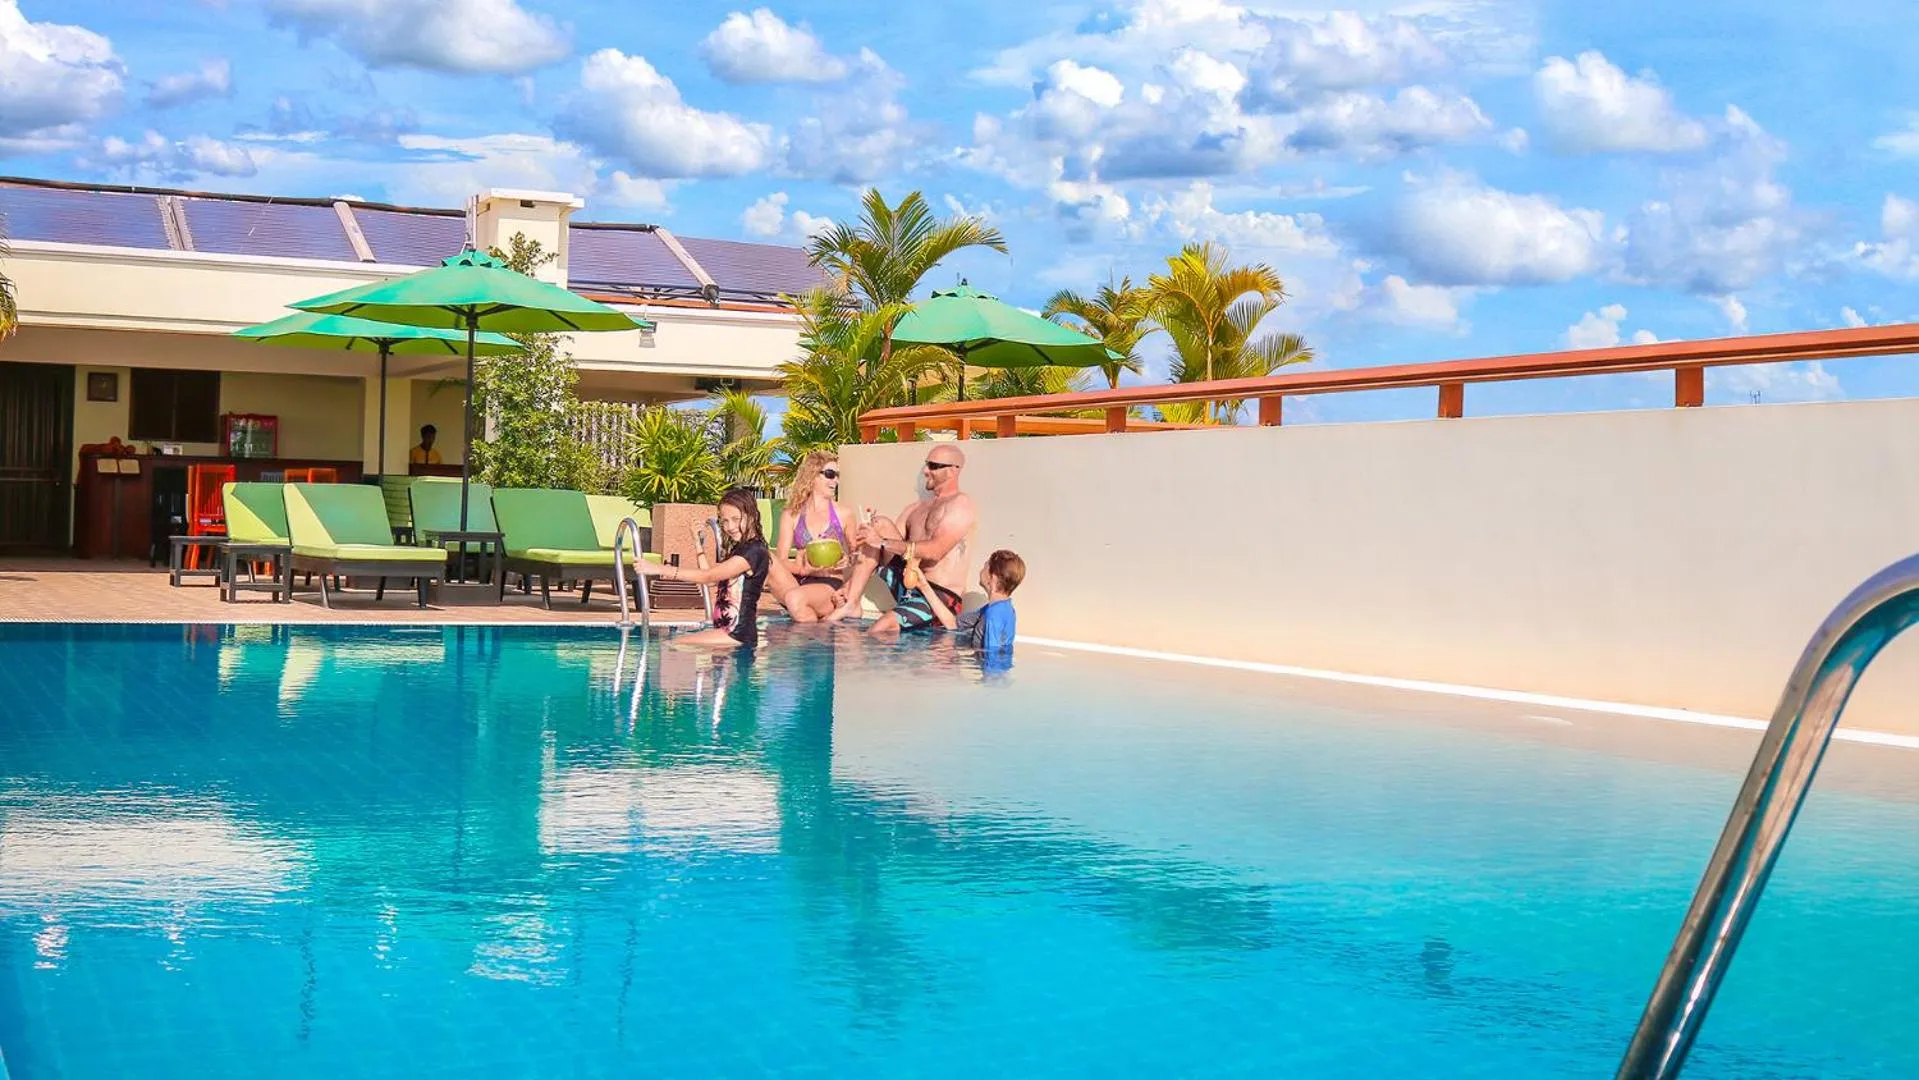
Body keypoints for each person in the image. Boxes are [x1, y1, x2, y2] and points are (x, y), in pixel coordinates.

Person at [829, 443, 977, 635]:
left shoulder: (960, 504)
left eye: (933, 466)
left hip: (937, 596)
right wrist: (849, 585)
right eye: (926, 464)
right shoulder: (916, 508)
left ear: (952, 471)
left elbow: (935, 551)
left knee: (879, 629)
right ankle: (851, 601)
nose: (925, 471)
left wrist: (881, 542)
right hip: (907, 584)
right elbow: (881, 550)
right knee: (879, 523)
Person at [634, 489, 771, 649]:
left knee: (671, 644)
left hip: (737, 633)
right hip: (728, 632)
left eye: (736, 519)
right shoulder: (741, 549)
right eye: (725, 521)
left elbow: (708, 576)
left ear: (752, 516)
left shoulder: (754, 551)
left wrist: (659, 569)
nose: (730, 526)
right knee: (672, 644)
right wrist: (697, 543)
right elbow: (711, 581)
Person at [771, 451, 849, 622]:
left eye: (838, 475)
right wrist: (802, 570)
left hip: (829, 584)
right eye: (830, 474)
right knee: (766, 559)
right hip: (799, 581)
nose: (835, 480)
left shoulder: (844, 514)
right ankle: (815, 623)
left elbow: (860, 557)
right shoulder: (791, 514)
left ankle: (808, 617)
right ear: (812, 475)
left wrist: (847, 560)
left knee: (794, 599)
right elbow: (781, 560)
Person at [912, 549, 1023, 654]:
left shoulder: (993, 615)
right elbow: (953, 623)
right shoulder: (1001, 609)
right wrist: (923, 586)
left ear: (992, 578)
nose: (980, 570)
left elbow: (992, 656)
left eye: (985, 566)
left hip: (986, 666)